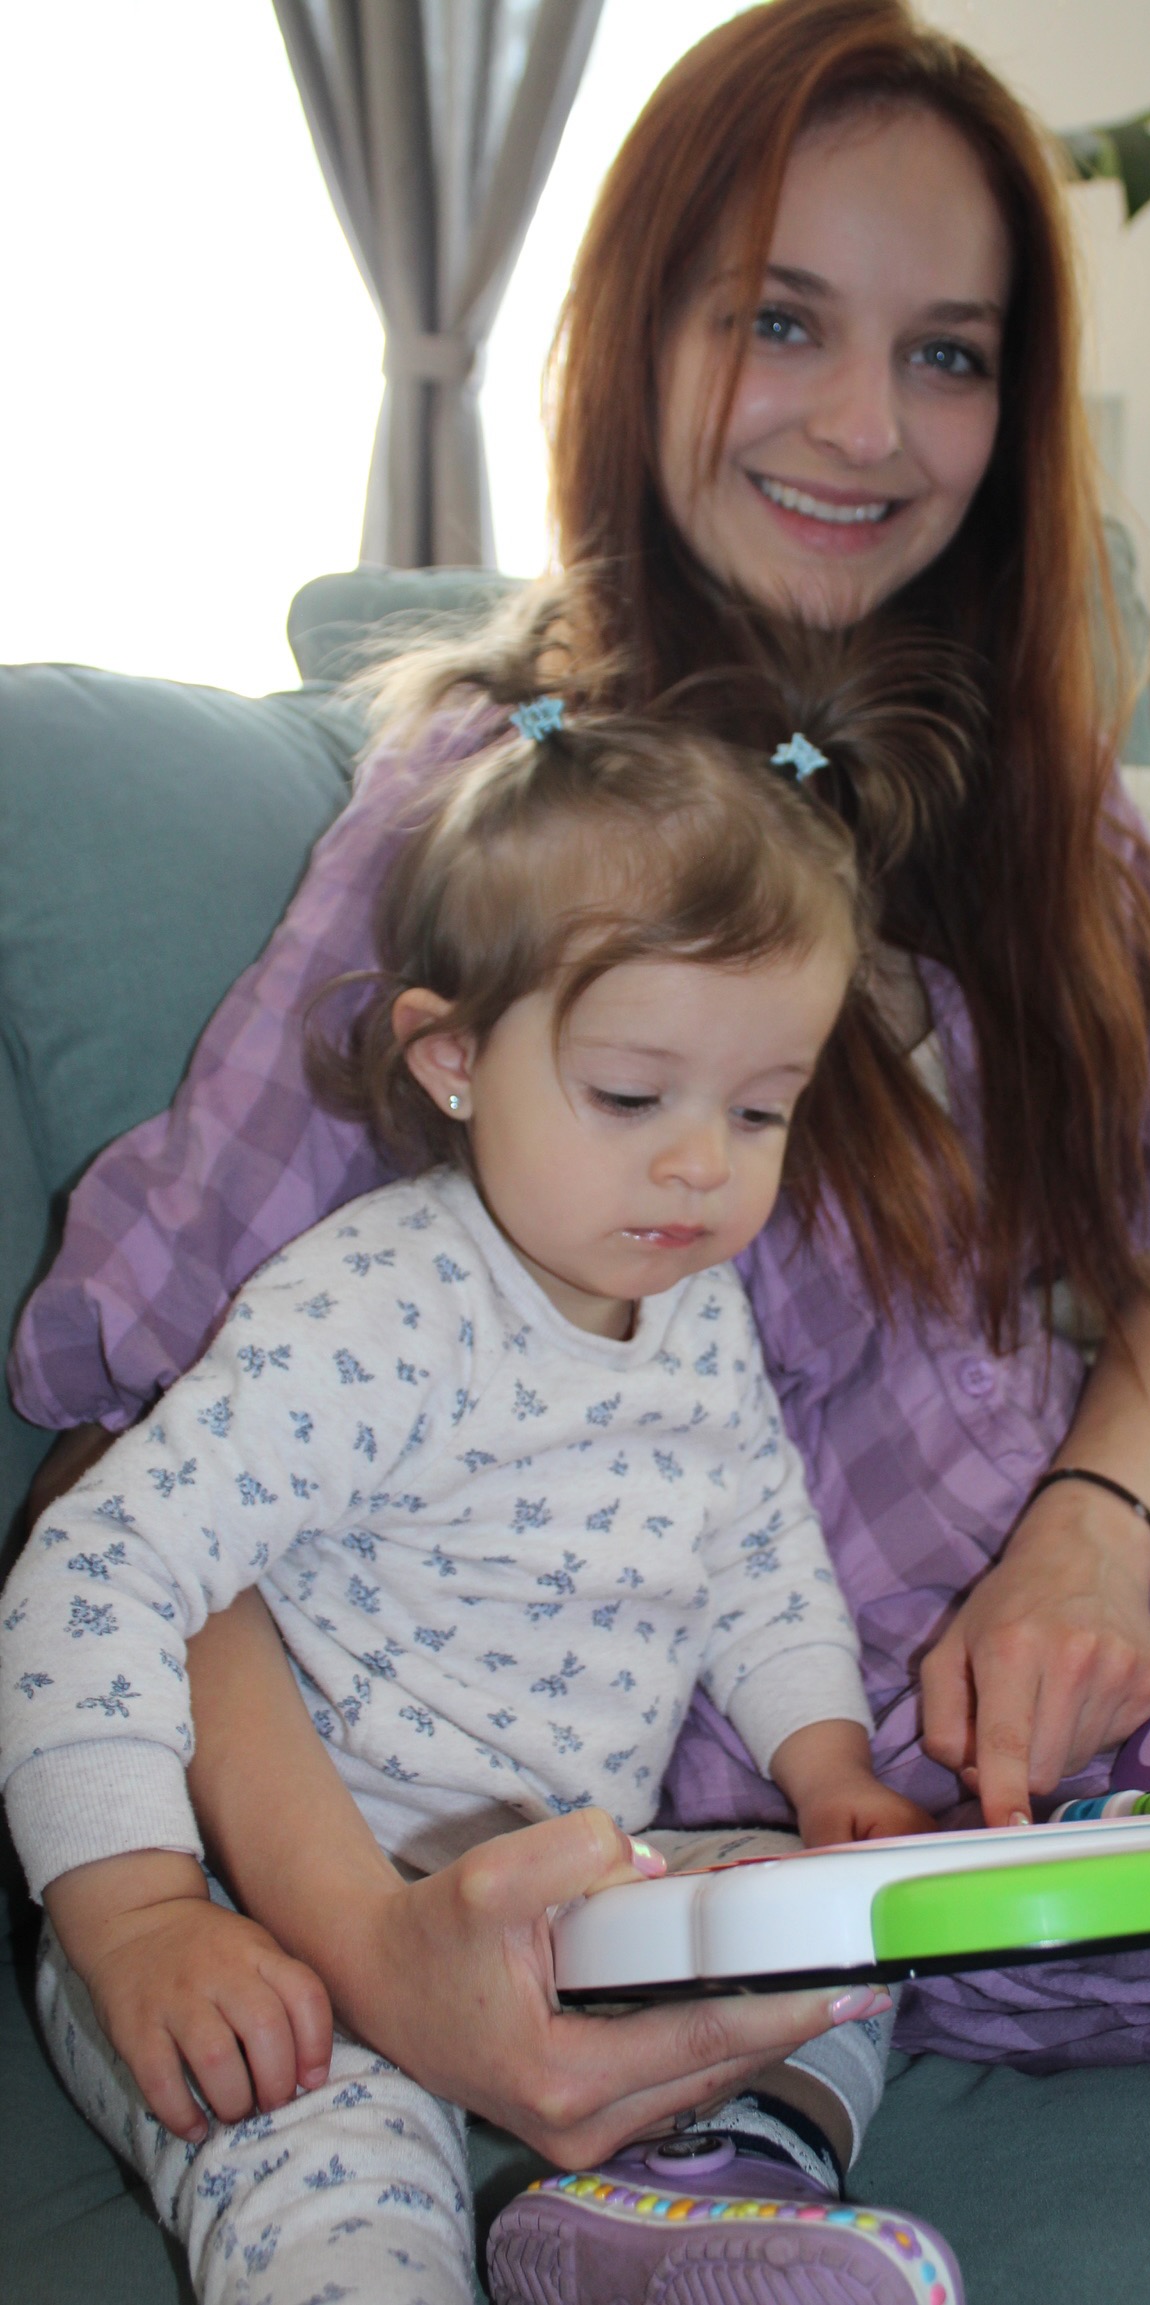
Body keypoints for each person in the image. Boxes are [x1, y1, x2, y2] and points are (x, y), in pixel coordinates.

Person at [12, 0, 1150, 2250]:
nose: (865, 424)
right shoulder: (501, 827)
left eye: (948, 353)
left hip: (1101, 1644)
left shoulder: (1033, 808)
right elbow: (124, 1455)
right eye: (782, 320)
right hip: (791, 1799)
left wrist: (1091, 1528)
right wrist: (366, 1948)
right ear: (639, 337)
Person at [1, 653, 972, 2305]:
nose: (698, 1162)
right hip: (266, 1926)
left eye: (761, 1109)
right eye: (630, 1093)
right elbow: (96, 1566)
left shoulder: (698, 1311)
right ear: (451, 1059)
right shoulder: (377, 1309)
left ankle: (709, 2186)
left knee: (838, 1924)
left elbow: (759, 1552)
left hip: (568, 1903)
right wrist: (141, 1914)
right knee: (334, 2175)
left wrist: (824, 1767)